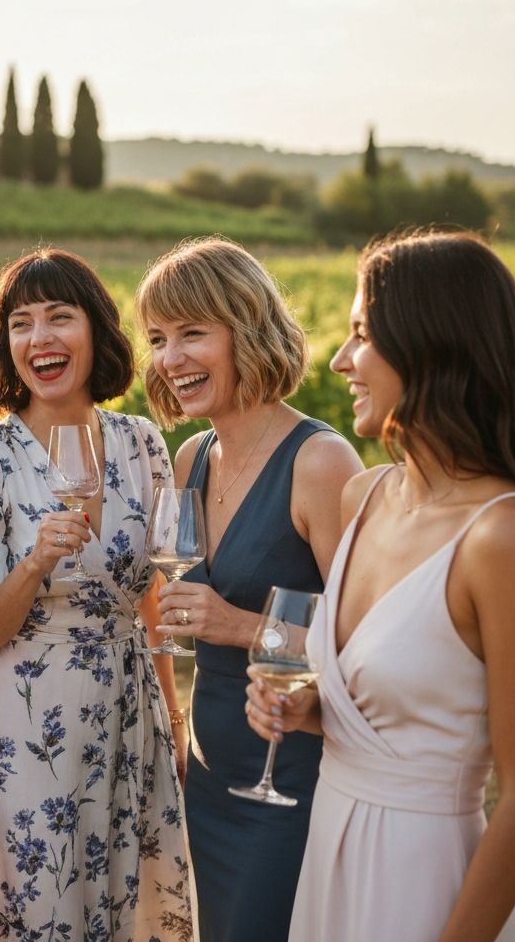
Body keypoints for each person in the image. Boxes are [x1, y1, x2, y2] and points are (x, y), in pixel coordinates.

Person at [246, 230, 515, 941]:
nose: (342, 360)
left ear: (432, 344)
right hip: (329, 850)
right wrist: (312, 708)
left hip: (425, 879)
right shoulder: (366, 497)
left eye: (361, 335)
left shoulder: (507, 537)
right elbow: (390, 699)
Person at [0, 248, 193, 941]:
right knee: (43, 912)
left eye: (59, 317)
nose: (40, 338)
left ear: (95, 331)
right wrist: (31, 565)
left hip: (132, 716)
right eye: (21, 323)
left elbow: (150, 594)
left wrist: (172, 714)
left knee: (129, 908)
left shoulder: (142, 445)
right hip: (29, 727)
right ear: (5, 343)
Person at [134, 237, 363, 942]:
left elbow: (367, 644)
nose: (171, 359)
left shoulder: (321, 461)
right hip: (208, 775)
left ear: (249, 329)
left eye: (193, 333)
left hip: (290, 779)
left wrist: (237, 626)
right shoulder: (192, 456)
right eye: (159, 338)